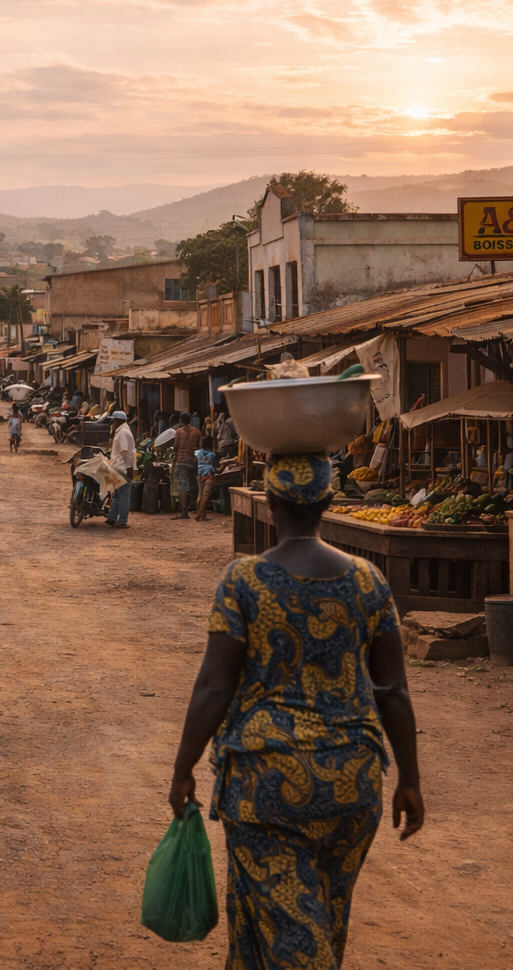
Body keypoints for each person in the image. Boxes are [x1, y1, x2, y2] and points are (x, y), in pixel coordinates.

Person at [168, 454, 423, 970]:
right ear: (327, 504)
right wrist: (410, 779)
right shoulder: (369, 582)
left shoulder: (244, 581)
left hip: (265, 786)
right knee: (311, 916)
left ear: (270, 503)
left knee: (295, 940)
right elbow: (392, 690)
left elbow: (215, 686)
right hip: (352, 785)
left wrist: (182, 768)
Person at [106, 411, 135, 529]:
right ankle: (121, 520)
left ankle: (113, 517)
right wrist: (130, 469)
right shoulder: (123, 431)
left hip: (121, 467)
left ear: (119, 420)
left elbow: (125, 453)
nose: (113, 422)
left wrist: (129, 468)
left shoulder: (122, 432)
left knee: (120, 494)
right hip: (120, 467)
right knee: (123, 494)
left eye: (115, 420)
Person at [172, 412, 200, 519]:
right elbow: (198, 446)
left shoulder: (179, 432)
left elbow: (176, 447)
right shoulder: (197, 432)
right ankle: (190, 505)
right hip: (192, 460)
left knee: (183, 486)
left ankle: (184, 511)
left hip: (181, 460)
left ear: (180, 420)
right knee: (193, 485)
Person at [195, 435, 219, 522]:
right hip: (208, 475)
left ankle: (202, 514)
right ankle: (199, 514)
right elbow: (215, 466)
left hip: (199, 475)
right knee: (206, 495)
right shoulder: (212, 454)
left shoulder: (197, 453)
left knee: (200, 494)